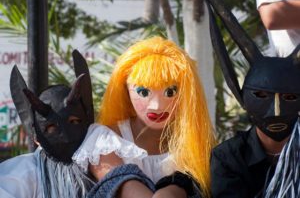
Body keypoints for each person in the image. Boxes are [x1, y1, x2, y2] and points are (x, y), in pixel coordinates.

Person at [73, 36, 216, 198]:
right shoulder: (105, 141)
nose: (156, 105)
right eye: (143, 92)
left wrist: (177, 187)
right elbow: (122, 184)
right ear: (125, 90)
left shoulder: (196, 141)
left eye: (170, 92)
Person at [205, 0, 300, 197]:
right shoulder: (228, 157)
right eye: (262, 96)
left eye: (289, 97)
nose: (276, 111)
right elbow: (272, 15)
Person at [0, 50, 95, 198]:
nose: (67, 136)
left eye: (74, 122)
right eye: (51, 128)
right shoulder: (21, 175)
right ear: (36, 137)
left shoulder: (105, 165)